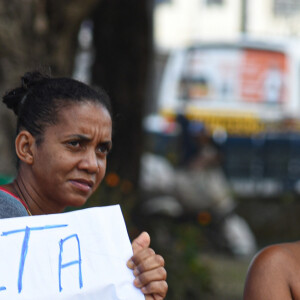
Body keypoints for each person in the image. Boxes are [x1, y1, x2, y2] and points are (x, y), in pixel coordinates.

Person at [0, 71, 168, 300]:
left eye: (102, 150)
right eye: (75, 144)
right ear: (27, 148)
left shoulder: (74, 240)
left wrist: (133, 289)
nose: (92, 165)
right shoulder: (8, 218)